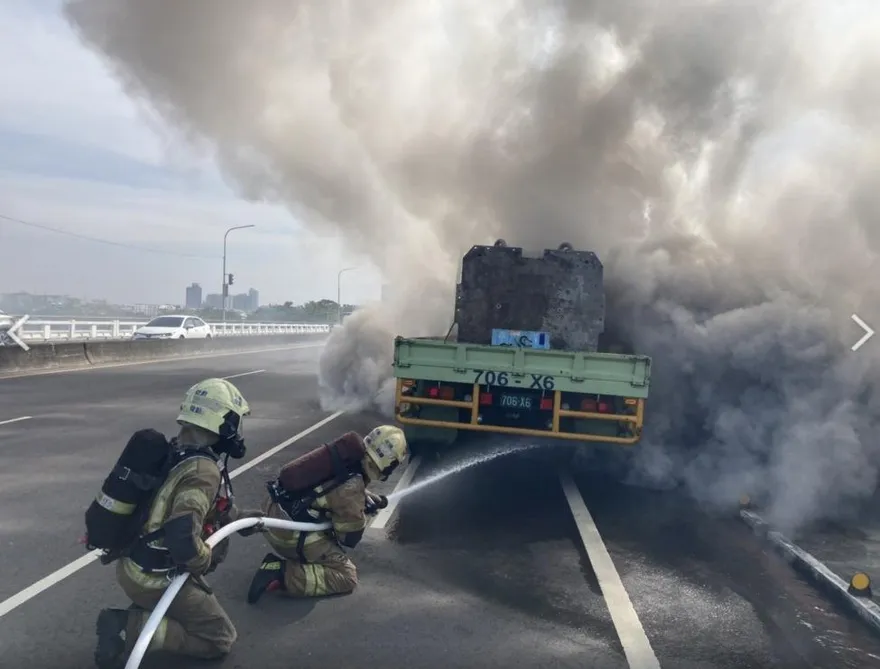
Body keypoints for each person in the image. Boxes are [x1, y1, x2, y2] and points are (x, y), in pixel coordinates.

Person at [94, 378, 251, 669]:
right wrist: (203, 560)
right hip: (155, 579)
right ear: (223, 423)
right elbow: (182, 536)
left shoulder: (176, 452)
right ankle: (127, 626)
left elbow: (209, 508)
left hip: (132, 564)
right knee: (220, 638)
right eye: (234, 421)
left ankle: (145, 614)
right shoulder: (203, 470)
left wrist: (245, 519)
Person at [245, 425, 408, 603]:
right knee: (346, 576)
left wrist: (362, 499)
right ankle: (282, 573)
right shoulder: (351, 487)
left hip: (272, 512)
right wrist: (364, 513)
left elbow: (328, 490)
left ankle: (295, 564)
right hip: (287, 533)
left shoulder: (345, 457)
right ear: (389, 464)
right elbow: (349, 538)